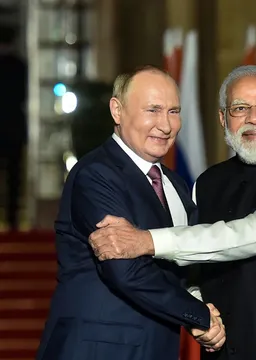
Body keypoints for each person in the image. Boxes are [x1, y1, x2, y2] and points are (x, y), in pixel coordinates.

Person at [88, 65, 256, 360]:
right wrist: (199, 312)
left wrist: (146, 241)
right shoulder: (205, 183)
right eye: (240, 108)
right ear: (222, 118)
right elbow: (190, 270)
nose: (255, 118)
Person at [36, 66, 226, 360]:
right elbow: (125, 270)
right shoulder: (96, 174)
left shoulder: (175, 184)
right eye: (153, 110)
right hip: (96, 349)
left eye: (174, 111)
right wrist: (199, 315)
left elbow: (185, 265)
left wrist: (203, 305)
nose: (165, 125)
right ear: (117, 110)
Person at [0, 25, 27, 231]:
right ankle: (12, 220)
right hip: (14, 127)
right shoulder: (19, 65)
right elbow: (22, 97)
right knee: (14, 177)